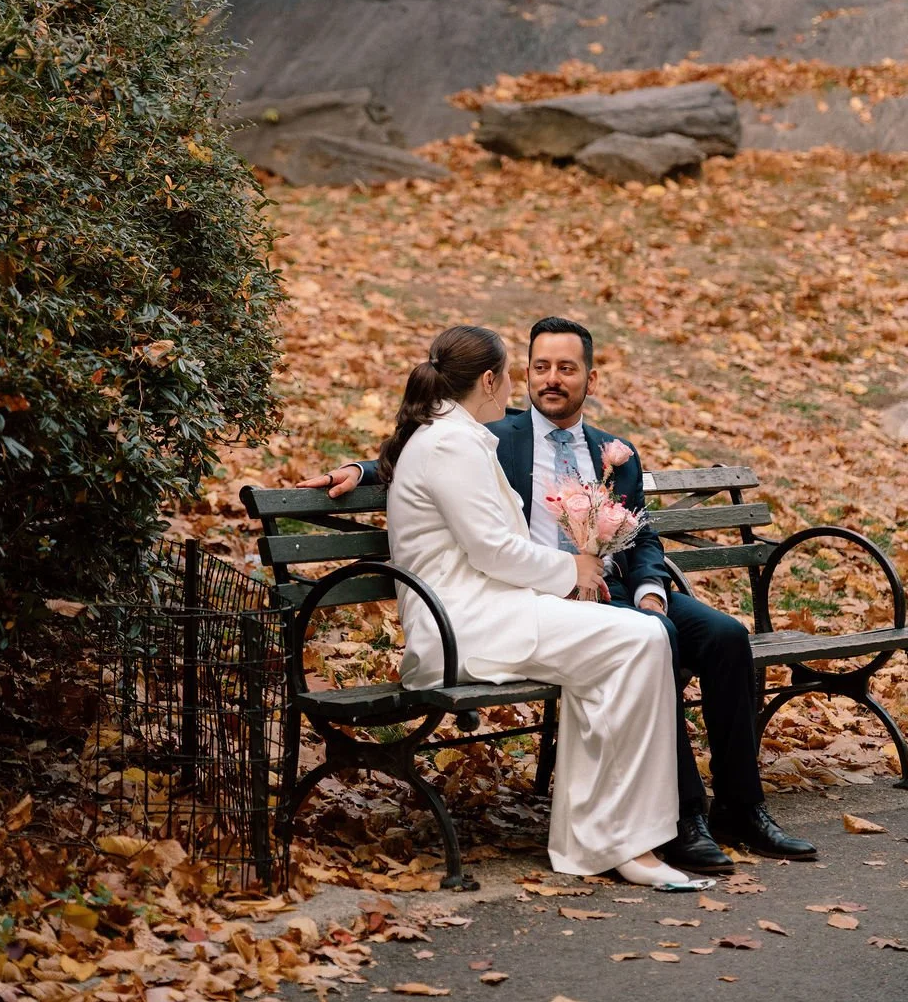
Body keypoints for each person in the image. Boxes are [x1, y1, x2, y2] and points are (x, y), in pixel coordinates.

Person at [300, 316, 817, 873]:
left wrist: (649, 591)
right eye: (540, 367)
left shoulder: (613, 450)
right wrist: (358, 468)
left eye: (566, 369)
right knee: (650, 643)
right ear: (510, 377)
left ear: (589, 380)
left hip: (608, 590)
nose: (551, 379)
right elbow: (415, 459)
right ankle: (680, 819)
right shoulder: (489, 435)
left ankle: (740, 808)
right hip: (529, 596)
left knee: (725, 635)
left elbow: (642, 536)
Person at [364, 322, 701, 887]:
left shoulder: (459, 435)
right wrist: (573, 570)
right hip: (460, 624)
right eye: (513, 377)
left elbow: (496, 545)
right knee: (638, 638)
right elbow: (493, 548)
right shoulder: (449, 441)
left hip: (492, 609)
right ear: (490, 379)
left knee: (637, 641)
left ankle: (608, 839)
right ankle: (619, 843)